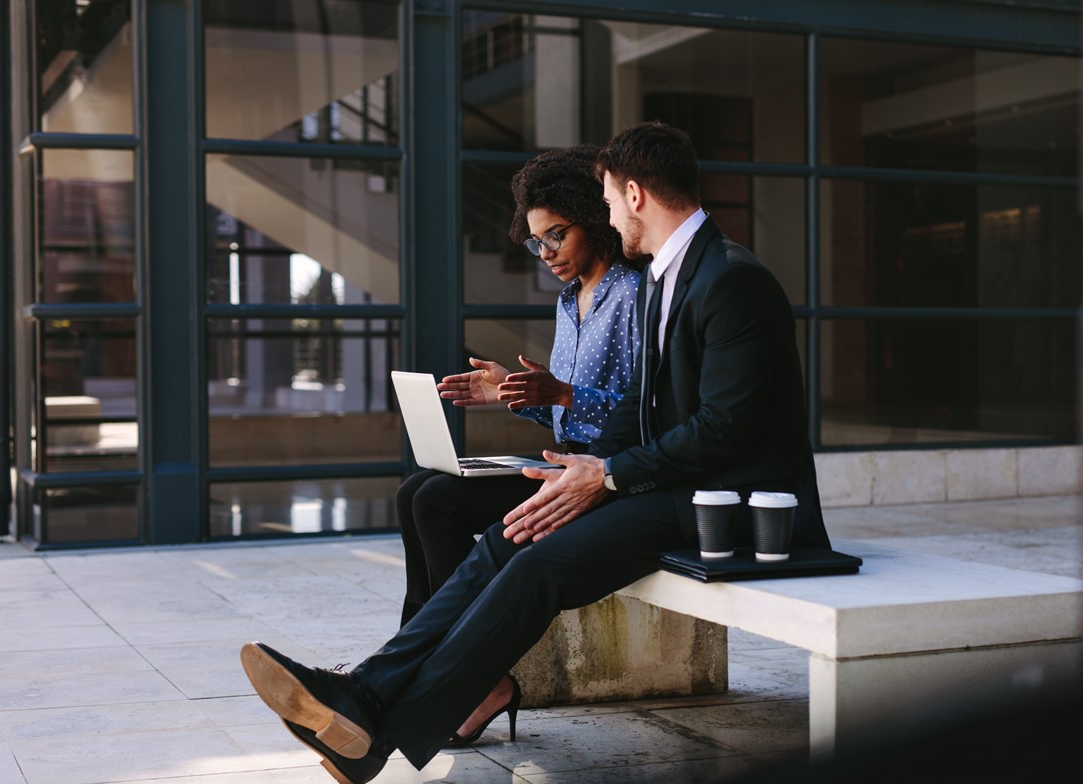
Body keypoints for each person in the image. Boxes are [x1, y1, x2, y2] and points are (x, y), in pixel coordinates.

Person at [239, 121, 830, 784]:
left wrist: (604, 473)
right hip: (671, 483)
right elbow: (649, 410)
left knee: (535, 563)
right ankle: (366, 694)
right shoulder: (673, 278)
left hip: (732, 505)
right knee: (503, 539)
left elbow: (727, 431)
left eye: (605, 200)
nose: (604, 213)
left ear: (634, 195)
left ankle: (382, 732)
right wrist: (573, 459)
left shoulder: (730, 281)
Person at [394, 144, 639, 628]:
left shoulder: (632, 296)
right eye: (535, 242)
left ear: (593, 218)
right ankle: (416, 637)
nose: (545, 253)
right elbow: (559, 402)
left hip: (604, 477)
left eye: (556, 236)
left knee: (435, 500)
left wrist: (564, 394)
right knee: (413, 490)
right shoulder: (569, 301)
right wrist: (511, 392)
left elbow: (645, 412)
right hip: (560, 462)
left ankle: (443, 642)